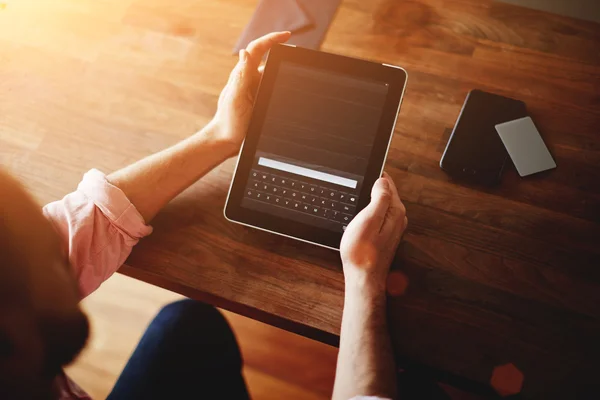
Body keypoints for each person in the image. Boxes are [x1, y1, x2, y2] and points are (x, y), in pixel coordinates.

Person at [0, 31, 408, 400]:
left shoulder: (17, 346)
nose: (65, 252)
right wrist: (365, 276)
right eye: (53, 259)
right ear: (14, 334)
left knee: (188, 324)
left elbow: (88, 221)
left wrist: (222, 135)